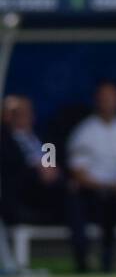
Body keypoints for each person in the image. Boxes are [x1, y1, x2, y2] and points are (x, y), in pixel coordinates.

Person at [65, 81, 116, 273]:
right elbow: (79, 174)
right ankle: (83, 262)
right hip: (91, 192)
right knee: (79, 200)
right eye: (103, 99)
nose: (108, 103)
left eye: (111, 98)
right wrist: (106, 187)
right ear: (96, 101)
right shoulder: (84, 132)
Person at [1, 95, 63, 227]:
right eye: (20, 113)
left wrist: (50, 169)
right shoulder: (5, 139)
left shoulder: (42, 138)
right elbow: (12, 167)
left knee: (70, 191)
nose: (26, 116)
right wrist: (37, 169)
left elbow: (51, 162)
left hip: (48, 185)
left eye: (28, 112)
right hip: (25, 187)